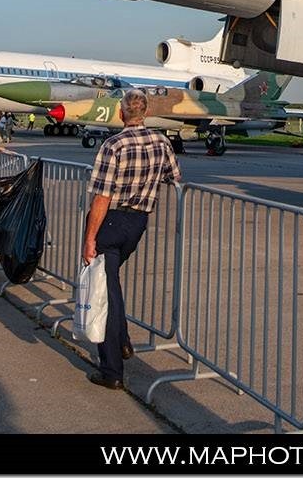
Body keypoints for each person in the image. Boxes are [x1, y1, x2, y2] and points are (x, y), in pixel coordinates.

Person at [81, 89, 181, 389]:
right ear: (146, 112)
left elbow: (102, 198)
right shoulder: (161, 141)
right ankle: (123, 341)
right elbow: (174, 176)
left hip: (111, 221)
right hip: (138, 223)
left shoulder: (113, 145)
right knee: (110, 285)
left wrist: (89, 238)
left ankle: (111, 370)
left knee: (103, 294)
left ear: (121, 113)